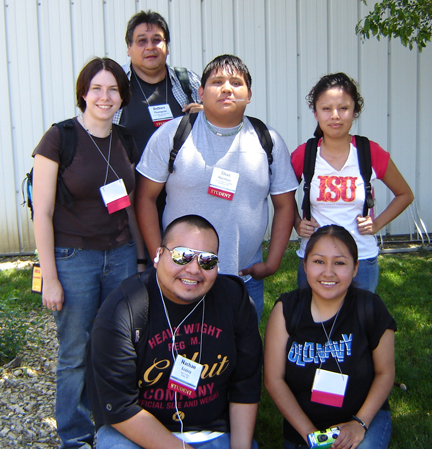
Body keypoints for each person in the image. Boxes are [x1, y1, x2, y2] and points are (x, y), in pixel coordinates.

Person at [32, 57, 144, 448]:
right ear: (83, 92)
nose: (104, 96)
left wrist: (141, 258)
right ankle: (76, 436)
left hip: (121, 256)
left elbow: (129, 204)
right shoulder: (59, 138)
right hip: (73, 259)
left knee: (118, 345)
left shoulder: (125, 139)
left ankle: (113, 426)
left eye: (113, 89)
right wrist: (50, 277)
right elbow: (41, 213)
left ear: (122, 96)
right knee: (75, 352)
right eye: (96, 88)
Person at [135, 54, 298, 321]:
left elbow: (284, 204)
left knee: (242, 356)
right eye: (217, 81)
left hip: (243, 279)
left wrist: (273, 262)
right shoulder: (171, 135)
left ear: (249, 94)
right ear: (200, 91)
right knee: (178, 353)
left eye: (236, 82)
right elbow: (145, 198)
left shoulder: (268, 140)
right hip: (180, 277)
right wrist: (160, 260)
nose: (226, 88)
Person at [88, 214, 263, 449]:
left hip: (211, 433)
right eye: (182, 256)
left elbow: (245, 385)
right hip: (138, 434)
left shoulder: (234, 300)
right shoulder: (123, 309)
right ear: (159, 256)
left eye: (207, 261)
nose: (194, 269)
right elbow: (120, 406)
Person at [264, 225, 396, 449]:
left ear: (355, 268)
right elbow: (273, 381)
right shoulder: (287, 310)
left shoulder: (370, 308)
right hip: (304, 426)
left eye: (340, 263)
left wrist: (359, 424)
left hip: (362, 418)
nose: (328, 272)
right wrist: (313, 437)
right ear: (305, 265)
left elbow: (385, 373)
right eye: (318, 261)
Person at [291, 72, 413, 292]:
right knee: (312, 324)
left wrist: (377, 224)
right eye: (326, 108)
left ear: (355, 111)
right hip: (314, 259)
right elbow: (282, 195)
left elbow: (405, 194)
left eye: (343, 108)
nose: (335, 116)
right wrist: (297, 222)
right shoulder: (305, 154)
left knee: (360, 324)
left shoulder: (370, 152)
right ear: (315, 112)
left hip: (361, 259)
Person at [113, 9, 202, 154]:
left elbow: (217, 129)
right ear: (129, 48)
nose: (150, 47)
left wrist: (208, 117)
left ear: (167, 48)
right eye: (142, 41)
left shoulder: (189, 82)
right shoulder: (115, 83)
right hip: (131, 175)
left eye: (157, 40)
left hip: (182, 175)